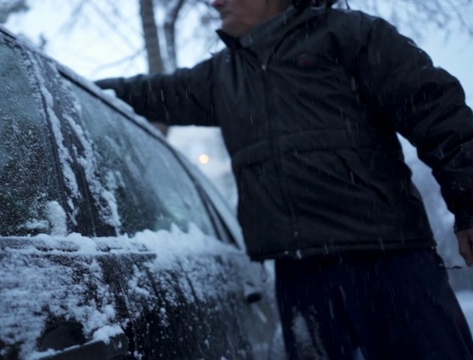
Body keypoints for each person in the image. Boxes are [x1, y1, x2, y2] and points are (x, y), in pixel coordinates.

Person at [95, 0, 473, 358]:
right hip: (301, 281)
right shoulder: (222, 75)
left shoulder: (351, 35)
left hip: (391, 265)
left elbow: (440, 116)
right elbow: (144, 94)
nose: (214, 2)